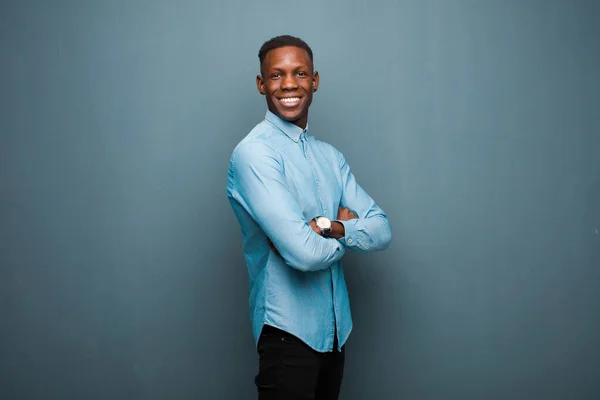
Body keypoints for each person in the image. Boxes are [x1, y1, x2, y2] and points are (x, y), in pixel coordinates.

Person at [226, 35, 392, 400]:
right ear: (261, 84)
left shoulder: (330, 157)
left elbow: (381, 229)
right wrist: (346, 236)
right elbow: (303, 254)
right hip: (288, 336)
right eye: (276, 75)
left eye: (299, 73)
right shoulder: (255, 154)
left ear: (314, 81)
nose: (288, 84)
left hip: (336, 334)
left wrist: (329, 227)